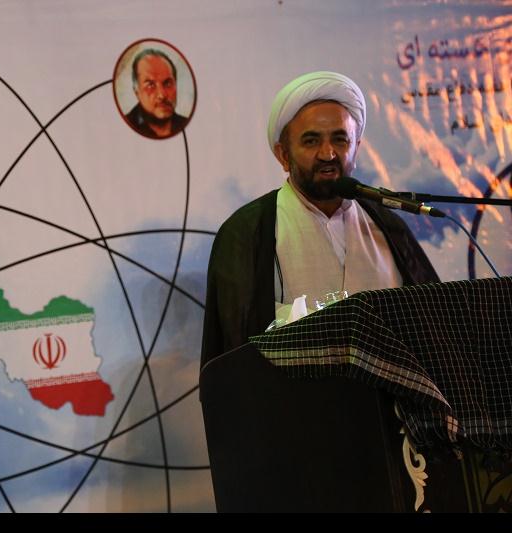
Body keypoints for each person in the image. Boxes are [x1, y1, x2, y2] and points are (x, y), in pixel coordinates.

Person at [201, 71, 439, 366]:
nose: (328, 154)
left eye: (340, 140)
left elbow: (430, 329)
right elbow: (236, 348)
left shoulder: (387, 226)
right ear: (283, 155)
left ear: (356, 148)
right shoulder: (248, 231)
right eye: (311, 141)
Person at [125, 49, 189, 139]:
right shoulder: (124, 127)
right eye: (150, 85)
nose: (162, 95)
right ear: (137, 93)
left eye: (168, 83)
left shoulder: (187, 125)